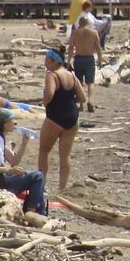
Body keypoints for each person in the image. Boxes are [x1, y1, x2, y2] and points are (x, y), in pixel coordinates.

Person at [0, 106, 46, 219]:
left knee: (34, 176)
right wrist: (8, 169)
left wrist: (24, 143)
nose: (14, 123)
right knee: (38, 176)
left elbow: (14, 161)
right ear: (4, 124)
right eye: (11, 120)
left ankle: (35, 212)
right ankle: (31, 213)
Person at [38, 49, 85, 190]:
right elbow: (83, 98)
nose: (45, 62)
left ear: (53, 61)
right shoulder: (71, 75)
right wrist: (68, 99)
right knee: (65, 155)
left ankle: (41, 184)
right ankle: (62, 188)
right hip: (72, 117)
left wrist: (45, 102)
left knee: (44, 150)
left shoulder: (52, 75)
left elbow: (50, 94)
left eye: (46, 59)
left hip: (55, 117)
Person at [67, 16, 102, 112]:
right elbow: (98, 48)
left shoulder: (75, 33)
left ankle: (81, 104)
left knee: (79, 82)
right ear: (87, 23)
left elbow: (71, 48)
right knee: (90, 82)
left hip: (78, 59)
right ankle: (90, 100)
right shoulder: (93, 32)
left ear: (79, 23)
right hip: (89, 58)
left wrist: (68, 61)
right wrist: (100, 60)